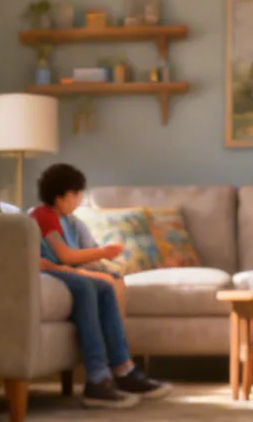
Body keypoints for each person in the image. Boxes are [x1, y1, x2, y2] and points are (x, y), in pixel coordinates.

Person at [30, 164, 170, 408]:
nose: (79, 199)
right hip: (50, 271)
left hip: (63, 272)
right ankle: (97, 377)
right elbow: (65, 256)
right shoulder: (43, 216)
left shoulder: (68, 221)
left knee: (103, 287)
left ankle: (122, 369)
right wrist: (103, 252)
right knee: (86, 286)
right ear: (61, 196)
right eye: (76, 194)